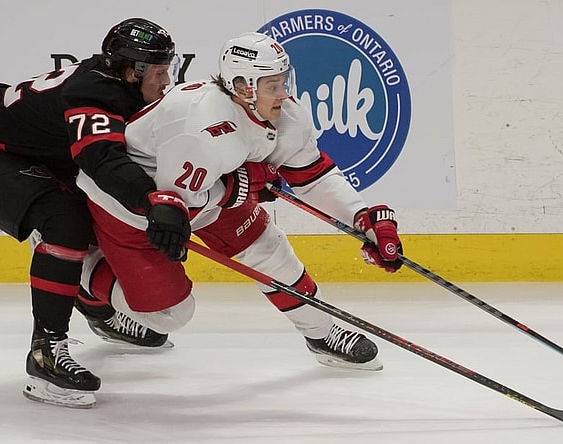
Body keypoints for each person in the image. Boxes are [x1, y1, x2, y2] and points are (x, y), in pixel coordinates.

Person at [75, 31, 404, 372]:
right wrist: (239, 186)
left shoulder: (284, 115)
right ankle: (81, 265)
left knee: (269, 249)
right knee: (169, 314)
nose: (284, 94)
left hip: (202, 193)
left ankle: (321, 333)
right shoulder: (203, 127)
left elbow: (313, 176)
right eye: (272, 85)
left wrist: (362, 218)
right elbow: (175, 210)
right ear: (244, 86)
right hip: (129, 208)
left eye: (283, 81)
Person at [0, 18, 178, 408]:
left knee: (94, 214)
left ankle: (98, 311)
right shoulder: (96, 95)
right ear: (131, 71)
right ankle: (45, 353)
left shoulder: (119, 85)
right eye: (158, 71)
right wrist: (151, 199)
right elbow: (101, 159)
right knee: (64, 222)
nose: (166, 81)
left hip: (28, 148)